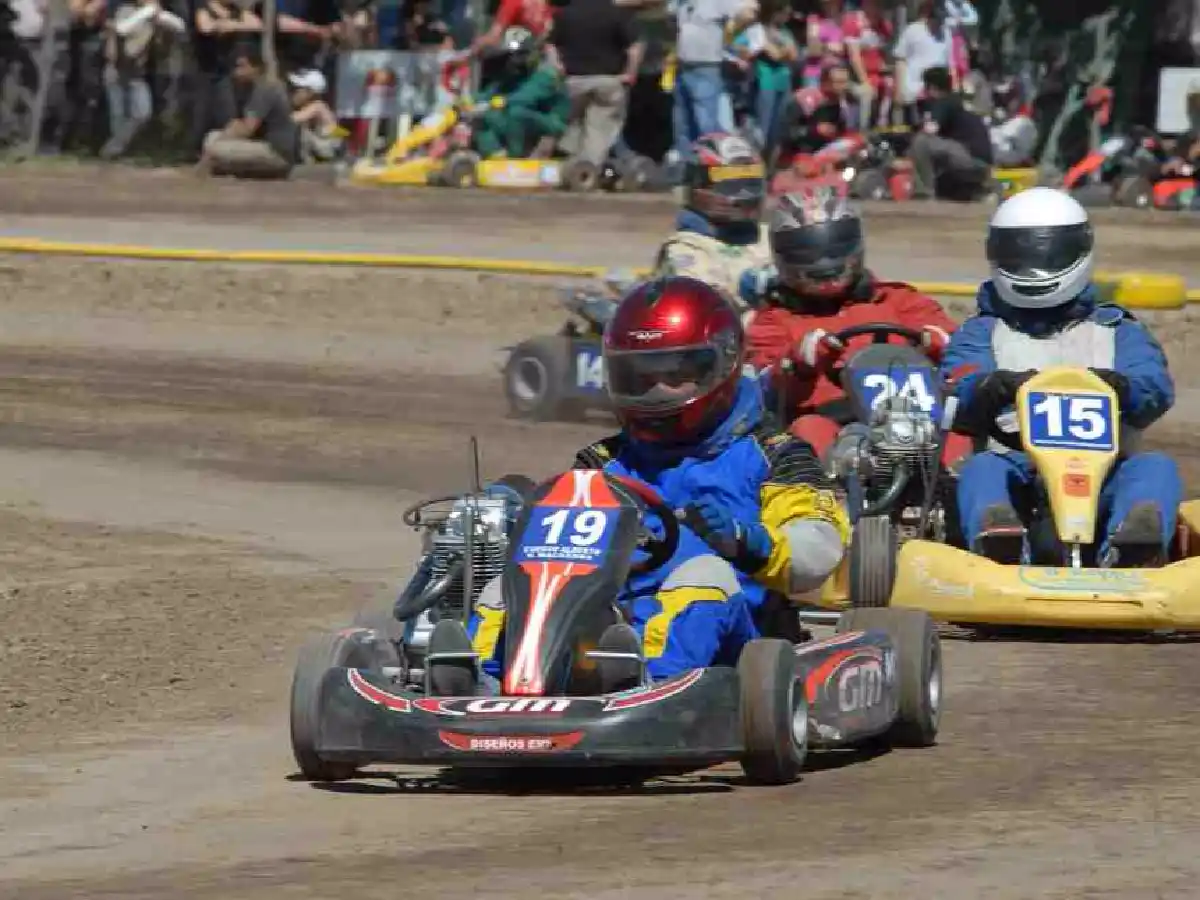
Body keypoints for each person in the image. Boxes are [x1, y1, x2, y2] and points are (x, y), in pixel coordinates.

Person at [464, 276, 850, 683]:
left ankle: (656, 685)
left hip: (740, 641)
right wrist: (509, 517)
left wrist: (750, 541)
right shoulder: (604, 461)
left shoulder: (775, 453)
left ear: (722, 364)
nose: (657, 393)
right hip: (610, 629)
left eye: (675, 373)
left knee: (703, 574)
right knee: (506, 588)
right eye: (639, 377)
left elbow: (818, 553)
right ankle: (478, 684)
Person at [943, 188, 1181, 567]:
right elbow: (957, 386)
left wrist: (1124, 387)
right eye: (1020, 256)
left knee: (1155, 468)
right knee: (981, 468)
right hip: (1017, 476)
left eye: (1047, 257)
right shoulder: (982, 331)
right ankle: (1001, 551)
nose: (1035, 269)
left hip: (1103, 477)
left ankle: (1129, 549)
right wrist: (989, 387)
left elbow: (1154, 386)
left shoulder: (1116, 329)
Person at [742, 186, 966, 464]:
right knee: (809, 430)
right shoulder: (772, 321)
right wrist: (800, 361)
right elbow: (764, 386)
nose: (824, 262)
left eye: (835, 247)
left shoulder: (898, 300)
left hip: (915, 416)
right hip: (836, 425)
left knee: (959, 435)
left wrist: (936, 341)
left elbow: (958, 344)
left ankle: (964, 496)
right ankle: (832, 499)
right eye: (807, 253)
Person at [653, 132, 773, 316]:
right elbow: (705, 310)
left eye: (750, 183)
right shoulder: (685, 248)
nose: (744, 196)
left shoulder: (772, 236)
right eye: (731, 185)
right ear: (697, 186)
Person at [547, 0, 644, 168]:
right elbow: (635, 47)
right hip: (608, 80)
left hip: (574, 81)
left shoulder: (564, 13)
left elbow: (550, 44)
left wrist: (557, 67)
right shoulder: (618, 13)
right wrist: (630, 73)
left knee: (573, 125)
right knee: (599, 128)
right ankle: (588, 168)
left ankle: (568, 165)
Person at [197, 43, 298, 179]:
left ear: (255, 68)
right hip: (264, 145)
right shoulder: (253, 87)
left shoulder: (266, 88)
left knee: (216, 149)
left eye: (242, 66)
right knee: (211, 137)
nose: (236, 72)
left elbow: (247, 129)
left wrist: (225, 135)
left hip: (277, 154)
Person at [472, 26, 571, 159]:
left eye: (518, 55)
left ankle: (515, 157)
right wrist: (471, 102)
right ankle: (495, 156)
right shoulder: (515, 75)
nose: (514, 60)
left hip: (552, 123)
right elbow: (494, 90)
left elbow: (525, 98)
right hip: (526, 118)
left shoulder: (546, 75)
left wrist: (501, 101)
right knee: (482, 118)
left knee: (516, 112)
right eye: (511, 56)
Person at [908, 65, 992, 200]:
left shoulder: (944, 102)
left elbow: (930, 130)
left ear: (932, 87)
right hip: (982, 164)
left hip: (968, 159)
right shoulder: (958, 100)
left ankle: (923, 192)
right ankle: (978, 190)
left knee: (921, 141)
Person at [777, 62, 856, 161]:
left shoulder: (841, 103)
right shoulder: (805, 100)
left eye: (845, 82)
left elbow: (840, 132)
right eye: (839, 82)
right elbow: (785, 133)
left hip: (824, 154)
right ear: (825, 83)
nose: (844, 87)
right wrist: (815, 130)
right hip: (796, 156)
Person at [892, 0, 953, 127]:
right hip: (915, 89)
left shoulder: (946, 33)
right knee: (915, 125)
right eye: (936, 18)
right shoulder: (913, 30)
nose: (938, 22)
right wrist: (899, 89)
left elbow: (949, 63)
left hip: (938, 91)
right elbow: (900, 60)